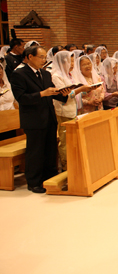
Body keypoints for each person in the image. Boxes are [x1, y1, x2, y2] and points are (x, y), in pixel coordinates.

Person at [10, 46, 71, 193]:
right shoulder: (19, 74)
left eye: (45, 57)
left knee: (50, 149)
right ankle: (34, 182)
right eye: (41, 57)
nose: (44, 60)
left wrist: (64, 93)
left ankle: (50, 177)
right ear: (30, 57)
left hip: (49, 116)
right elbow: (22, 98)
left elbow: (52, 92)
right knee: (35, 151)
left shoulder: (45, 73)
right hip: (33, 119)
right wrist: (42, 94)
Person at [51, 51, 93, 171]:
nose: (73, 64)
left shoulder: (70, 75)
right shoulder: (56, 76)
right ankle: (66, 167)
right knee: (65, 142)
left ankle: (77, 164)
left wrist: (87, 90)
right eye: (70, 61)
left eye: (73, 61)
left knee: (76, 139)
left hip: (76, 109)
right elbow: (64, 95)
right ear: (62, 62)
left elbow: (75, 91)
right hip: (65, 111)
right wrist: (81, 89)